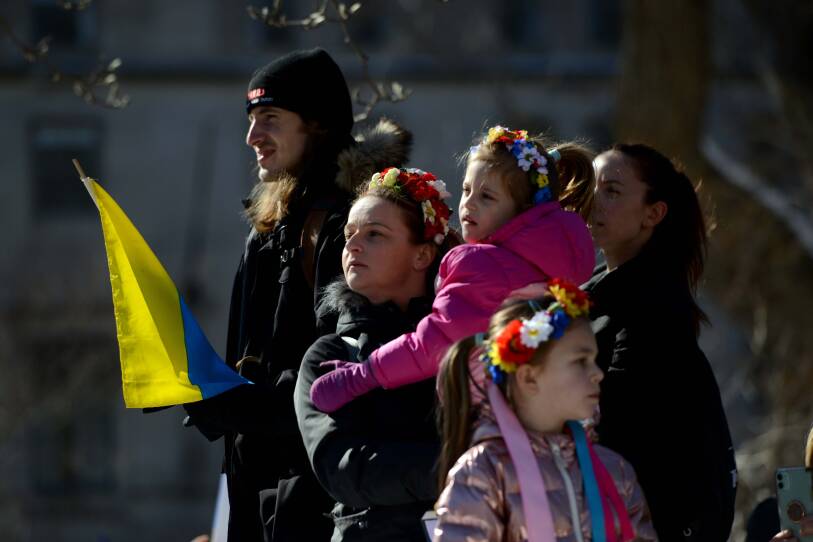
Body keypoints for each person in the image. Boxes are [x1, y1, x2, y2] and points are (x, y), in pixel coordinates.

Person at [181, 48, 413, 541]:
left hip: (318, 502)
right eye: (251, 118)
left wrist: (229, 407)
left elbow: (341, 377)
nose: (252, 136)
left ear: (318, 125)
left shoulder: (348, 227)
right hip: (260, 490)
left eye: (270, 117)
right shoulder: (270, 227)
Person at [310, 126, 596, 413]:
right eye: (466, 190)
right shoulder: (546, 265)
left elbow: (433, 343)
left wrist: (362, 375)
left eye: (487, 197)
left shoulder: (481, 263)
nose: (468, 204)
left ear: (523, 212)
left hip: (491, 419)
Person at [584, 143, 737, 541]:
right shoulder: (600, 291)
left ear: (653, 214)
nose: (592, 200)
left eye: (611, 191)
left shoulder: (655, 306)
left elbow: (615, 413)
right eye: (592, 186)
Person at [294, 167, 456, 541]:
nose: (352, 245)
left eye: (374, 235)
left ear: (422, 255)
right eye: (349, 234)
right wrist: (457, 469)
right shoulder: (331, 355)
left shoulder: (465, 346)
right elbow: (345, 470)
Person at [433, 283, 657, 541]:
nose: (598, 373)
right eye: (580, 361)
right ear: (529, 377)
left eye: (594, 360)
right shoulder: (486, 473)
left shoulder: (616, 472)